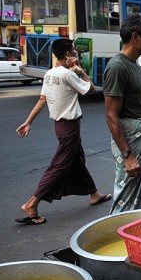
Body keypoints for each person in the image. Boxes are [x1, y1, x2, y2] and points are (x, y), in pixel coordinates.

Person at [15, 39, 110, 225]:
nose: (75, 52)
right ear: (67, 55)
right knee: (59, 165)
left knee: (77, 161)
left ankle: (94, 194)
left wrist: (28, 122)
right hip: (70, 126)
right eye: (74, 50)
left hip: (60, 126)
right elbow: (90, 89)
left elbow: (43, 99)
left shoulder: (49, 74)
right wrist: (81, 71)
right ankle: (32, 203)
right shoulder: (68, 75)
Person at [103, 14, 141, 214]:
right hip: (131, 144)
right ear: (135, 37)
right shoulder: (117, 67)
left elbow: (137, 104)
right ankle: (115, 237)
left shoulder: (136, 66)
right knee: (126, 195)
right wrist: (128, 156)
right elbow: (111, 115)